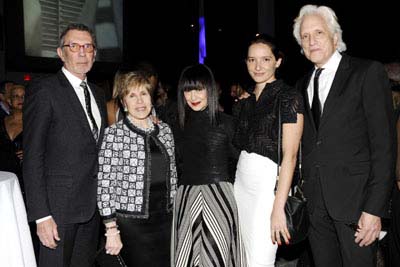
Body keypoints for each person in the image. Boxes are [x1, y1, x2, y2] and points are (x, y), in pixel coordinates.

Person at [293, 5, 395, 267]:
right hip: (316, 207)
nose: (311, 40)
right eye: (305, 36)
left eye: (318, 32)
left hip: (356, 206)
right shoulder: (301, 84)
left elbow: (384, 147)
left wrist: (374, 209)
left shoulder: (366, 73)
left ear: (335, 37)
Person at [23, 23, 107, 267]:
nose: (82, 52)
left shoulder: (98, 94)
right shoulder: (45, 90)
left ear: (94, 53)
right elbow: (33, 156)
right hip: (57, 212)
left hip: (91, 210)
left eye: (88, 46)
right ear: (61, 53)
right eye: (74, 46)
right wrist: (41, 215)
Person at [233, 34, 304, 267]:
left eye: (265, 59)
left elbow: (290, 157)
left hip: (268, 189)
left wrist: (278, 208)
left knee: (260, 259)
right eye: (252, 60)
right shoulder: (244, 102)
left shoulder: (288, 97)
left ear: (278, 62)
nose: (258, 66)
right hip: (240, 185)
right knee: (241, 258)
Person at [97, 71, 178, 266]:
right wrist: (111, 229)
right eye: (132, 95)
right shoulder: (113, 134)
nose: (139, 101)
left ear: (151, 98)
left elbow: (174, 174)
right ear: (123, 103)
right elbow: (105, 185)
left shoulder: (165, 130)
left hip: (167, 220)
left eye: (144, 94)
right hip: (132, 224)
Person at [171, 64, 247, 267]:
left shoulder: (227, 123)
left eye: (199, 88)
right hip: (186, 198)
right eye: (188, 89)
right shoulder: (174, 125)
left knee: (217, 258)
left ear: (211, 90)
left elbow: (240, 164)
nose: (193, 95)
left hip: (220, 198)